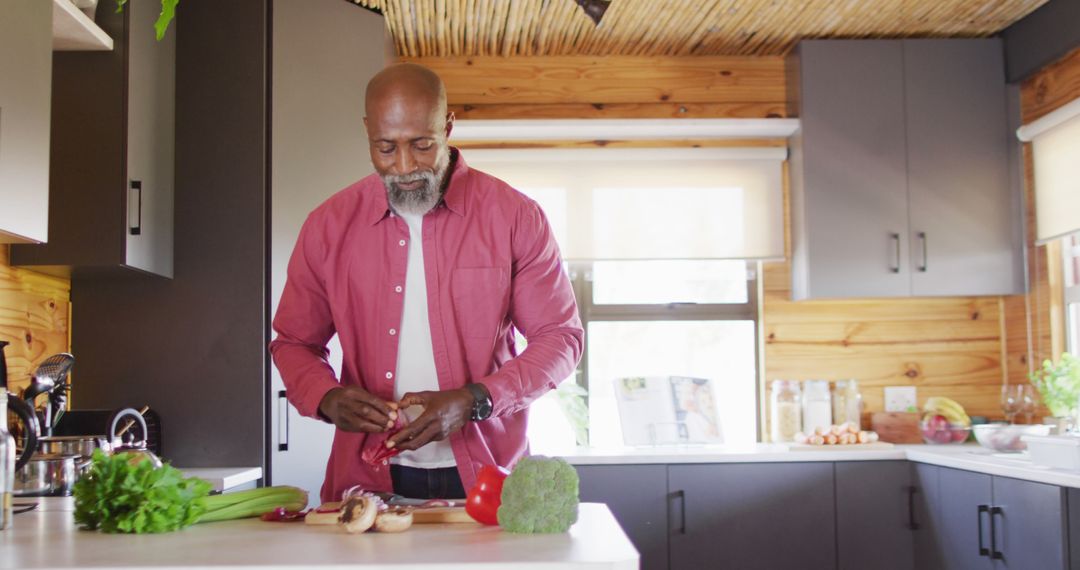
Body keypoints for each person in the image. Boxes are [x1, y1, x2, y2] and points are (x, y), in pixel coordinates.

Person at [269, 63, 584, 503]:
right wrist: (327, 397)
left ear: (448, 126)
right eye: (385, 148)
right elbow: (293, 342)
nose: (404, 166)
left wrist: (475, 399)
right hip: (368, 476)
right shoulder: (327, 226)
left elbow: (560, 339)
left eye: (421, 145)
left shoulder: (515, 217)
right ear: (366, 132)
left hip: (489, 472)